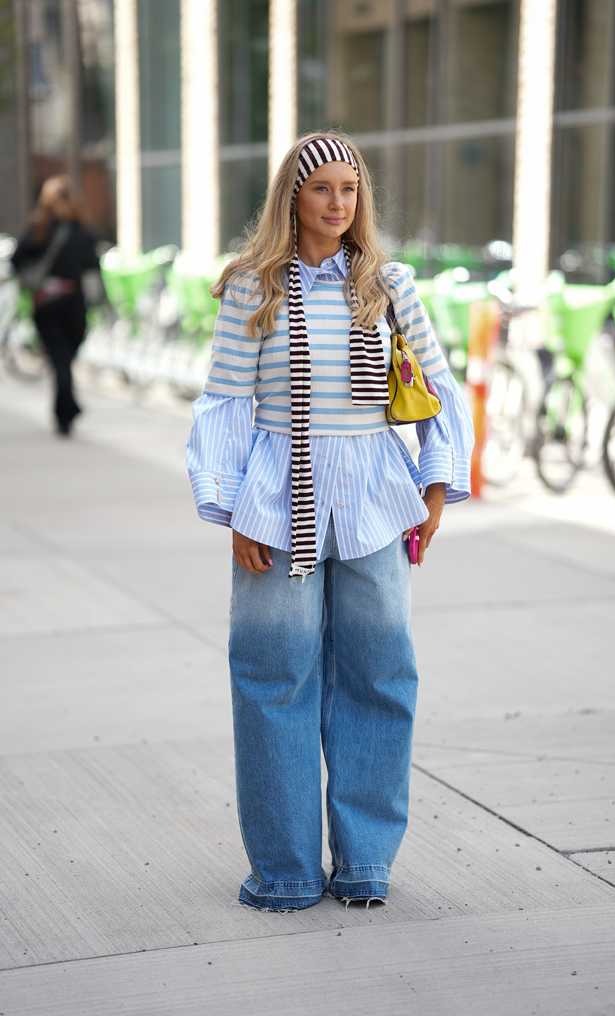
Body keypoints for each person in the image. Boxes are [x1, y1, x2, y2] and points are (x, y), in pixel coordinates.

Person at [186, 132, 475, 913]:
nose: (338, 203)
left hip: (376, 497)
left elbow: (437, 386)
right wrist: (231, 505)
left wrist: (436, 484)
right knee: (273, 674)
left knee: (381, 672)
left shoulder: (388, 283)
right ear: (293, 196)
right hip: (278, 498)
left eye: (350, 190)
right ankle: (284, 869)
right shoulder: (252, 287)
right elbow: (225, 399)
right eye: (322, 189)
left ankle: (365, 861)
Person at [11, 175, 100, 436]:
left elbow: (16, 261)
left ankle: (66, 408)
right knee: (63, 358)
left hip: (52, 303)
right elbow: (93, 267)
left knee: (62, 359)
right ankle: (65, 411)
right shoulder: (68, 229)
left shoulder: (45, 228)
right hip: (66, 304)